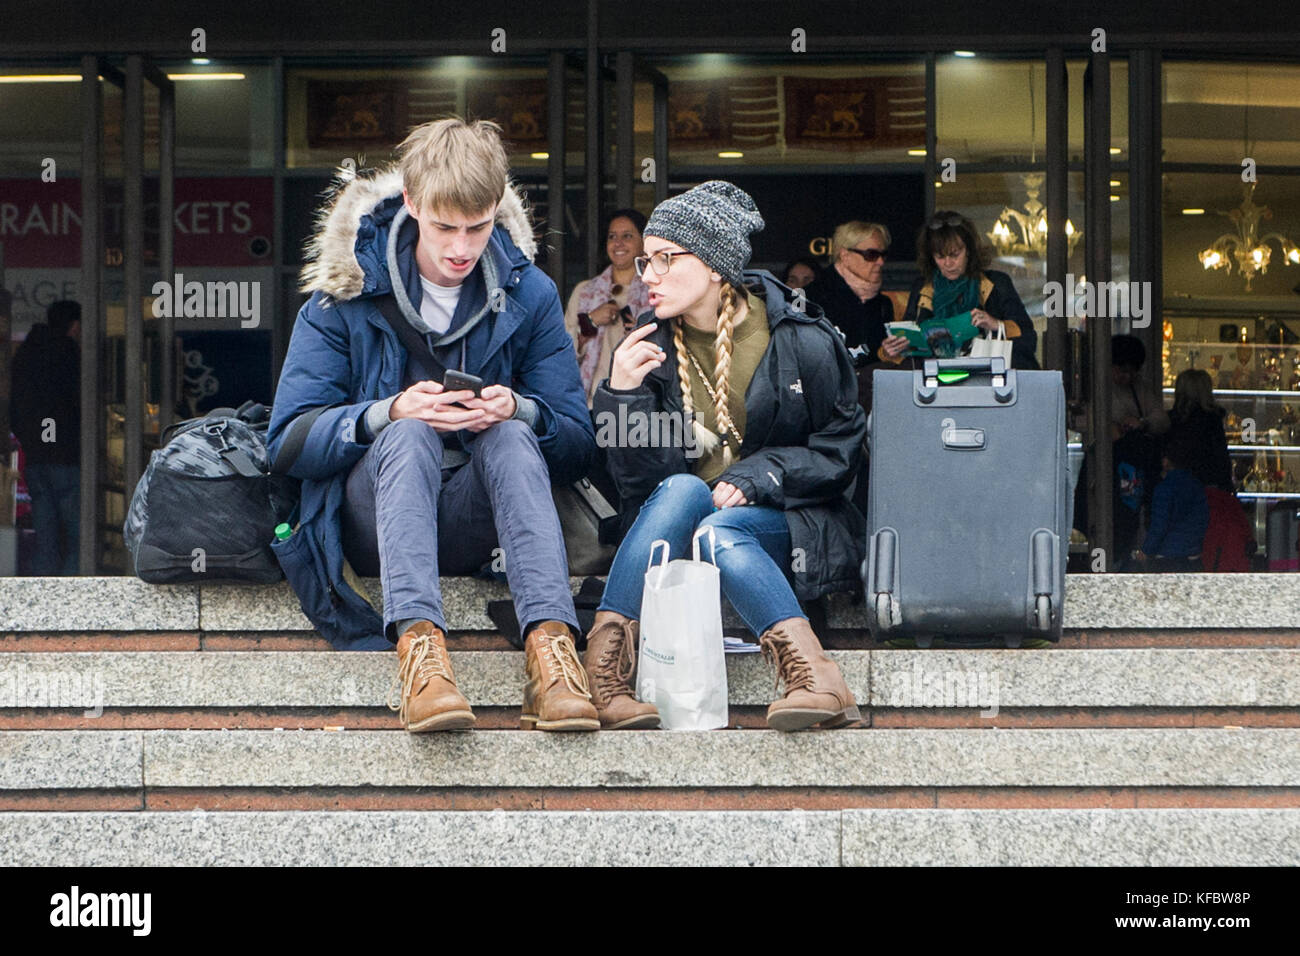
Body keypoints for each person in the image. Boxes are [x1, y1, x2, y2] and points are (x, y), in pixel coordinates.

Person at [268, 117, 599, 734]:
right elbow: (287, 442)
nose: (461, 248)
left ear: (496, 210)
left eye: (477, 228)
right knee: (408, 431)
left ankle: (552, 655)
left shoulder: (532, 295)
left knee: (512, 432)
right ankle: (423, 659)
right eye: (445, 227)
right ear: (413, 204)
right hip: (372, 521)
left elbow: (578, 446)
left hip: (479, 519)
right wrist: (385, 413)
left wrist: (517, 408)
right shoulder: (341, 296)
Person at [587, 181, 865, 732]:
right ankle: (605, 678)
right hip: (682, 520)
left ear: (714, 267)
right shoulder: (649, 350)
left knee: (721, 533)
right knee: (688, 492)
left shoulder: (799, 338)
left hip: (785, 521)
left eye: (667, 258)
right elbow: (637, 488)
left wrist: (762, 473)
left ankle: (818, 680)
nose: (648, 274)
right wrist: (620, 395)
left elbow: (841, 452)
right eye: (646, 260)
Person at [890, 210, 1038, 370]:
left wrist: (995, 324)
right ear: (931, 257)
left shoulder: (996, 283)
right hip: (936, 378)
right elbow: (910, 340)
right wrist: (895, 347)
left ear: (969, 251)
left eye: (954, 255)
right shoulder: (923, 287)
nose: (948, 263)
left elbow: (1028, 338)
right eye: (940, 256)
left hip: (986, 377)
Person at [9, 300, 81, 575]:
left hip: (37, 459)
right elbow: (75, 403)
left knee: (45, 534)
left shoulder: (26, 353)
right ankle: (76, 592)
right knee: (78, 536)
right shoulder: (69, 354)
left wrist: (33, 440)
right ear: (74, 326)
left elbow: (15, 407)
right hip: (65, 455)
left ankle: (45, 590)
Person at [564, 208, 651, 407]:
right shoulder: (585, 291)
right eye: (612, 236)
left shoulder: (655, 290)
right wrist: (590, 321)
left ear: (643, 243)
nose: (618, 243)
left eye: (627, 236)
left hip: (639, 403)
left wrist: (640, 331)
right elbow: (560, 349)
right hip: (589, 403)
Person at [804, 221, 894, 356]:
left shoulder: (882, 304)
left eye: (883, 255)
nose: (880, 262)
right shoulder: (810, 297)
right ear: (845, 256)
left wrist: (887, 353)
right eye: (871, 254)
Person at [1135, 437, 1209, 572]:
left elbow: (1160, 525)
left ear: (1166, 461)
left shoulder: (1164, 488)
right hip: (1194, 555)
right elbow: (1203, 519)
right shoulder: (1197, 486)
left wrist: (1146, 550)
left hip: (1167, 556)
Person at [1165, 367, 1233, 493]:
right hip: (1207, 484)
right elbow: (1221, 456)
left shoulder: (1171, 420)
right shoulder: (1212, 420)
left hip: (1178, 485)